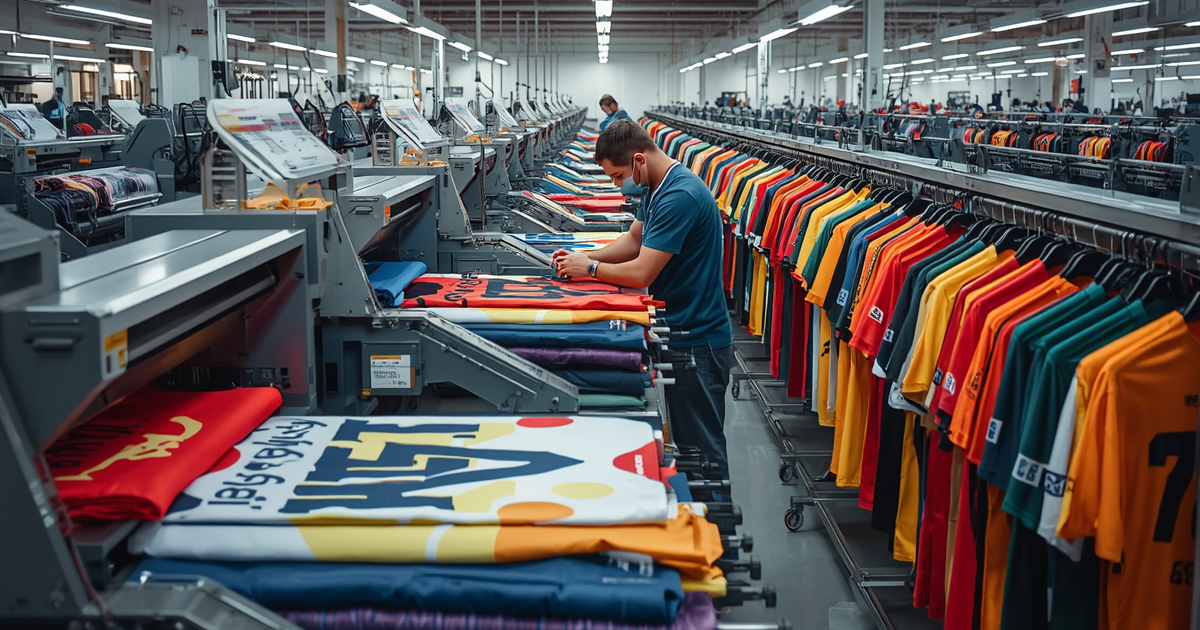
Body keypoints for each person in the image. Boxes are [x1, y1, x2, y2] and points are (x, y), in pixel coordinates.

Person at [553, 120, 735, 483]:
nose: (618, 185)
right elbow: (634, 240)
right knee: (690, 445)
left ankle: (717, 533)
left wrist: (590, 268)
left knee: (701, 449)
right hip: (681, 329)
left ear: (639, 159)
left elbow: (641, 273)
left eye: (619, 176)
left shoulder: (679, 196)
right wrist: (583, 260)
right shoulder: (656, 187)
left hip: (697, 341)